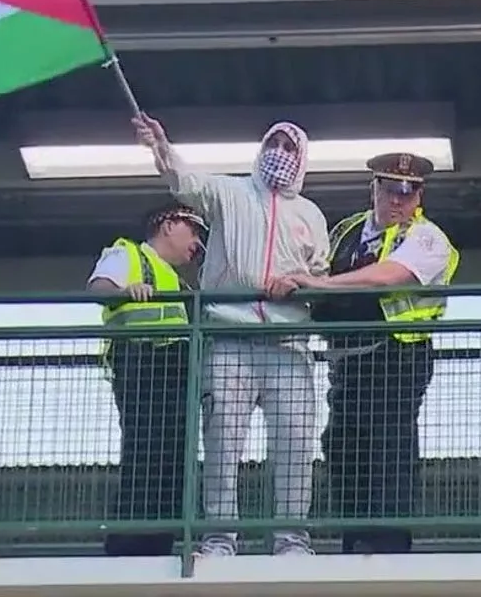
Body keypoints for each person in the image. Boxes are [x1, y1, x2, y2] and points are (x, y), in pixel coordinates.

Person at [132, 112, 330, 557]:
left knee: (296, 442)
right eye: (272, 143)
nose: (279, 153)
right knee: (222, 439)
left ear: (301, 158)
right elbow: (185, 182)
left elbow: (321, 276)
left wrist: (299, 281)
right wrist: (160, 148)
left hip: (288, 343)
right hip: (229, 338)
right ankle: (220, 539)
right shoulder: (230, 191)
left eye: (288, 147)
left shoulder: (311, 216)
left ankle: (292, 539)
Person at [279, 152, 459, 554]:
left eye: (408, 192)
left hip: (395, 357)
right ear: (373, 188)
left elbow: (390, 275)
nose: (398, 199)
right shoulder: (346, 230)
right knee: (343, 446)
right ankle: (353, 538)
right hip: (346, 361)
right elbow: (313, 269)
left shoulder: (427, 237)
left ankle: (388, 545)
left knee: (388, 450)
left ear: (419, 195)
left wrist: (320, 286)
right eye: (390, 189)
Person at [87, 202, 207, 557]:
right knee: (146, 452)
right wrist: (128, 289)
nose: (198, 243)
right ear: (168, 226)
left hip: (176, 369)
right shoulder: (128, 255)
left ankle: (161, 541)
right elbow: (98, 288)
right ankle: (129, 545)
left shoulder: (177, 278)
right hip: (142, 364)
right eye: (193, 230)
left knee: (175, 457)